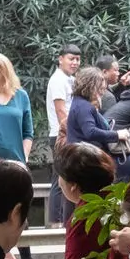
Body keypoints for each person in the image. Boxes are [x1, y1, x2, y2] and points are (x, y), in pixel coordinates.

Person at [66, 67, 130, 181]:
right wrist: (117, 135)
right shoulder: (84, 107)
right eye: (100, 89)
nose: (102, 92)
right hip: (89, 158)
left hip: (84, 155)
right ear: (91, 86)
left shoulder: (79, 102)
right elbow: (90, 132)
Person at [43, 45, 81, 224]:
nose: (74, 62)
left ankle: (64, 221)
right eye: (71, 58)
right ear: (60, 59)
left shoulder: (70, 79)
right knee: (60, 179)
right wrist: (70, 134)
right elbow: (60, 111)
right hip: (61, 135)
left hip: (68, 134)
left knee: (65, 177)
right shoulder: (58, 79)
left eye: (77, 59)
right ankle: (55, 222)